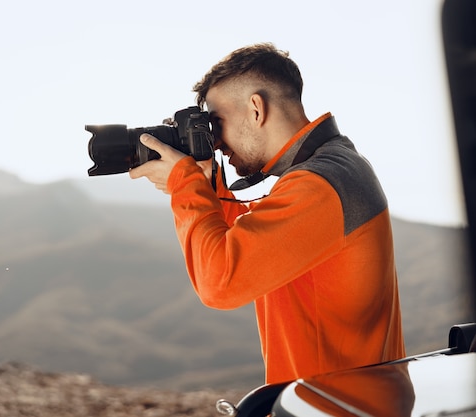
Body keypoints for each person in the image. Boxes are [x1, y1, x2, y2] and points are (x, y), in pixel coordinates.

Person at [129, 43, 405, 385]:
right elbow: (259, 235)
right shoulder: (335, 165)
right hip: (347, 401)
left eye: (217, 123)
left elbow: (220, 283)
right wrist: (203, 183)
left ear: (256, 109)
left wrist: (185, 183)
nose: (216, 142)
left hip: (334, 406)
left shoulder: (319, 184)